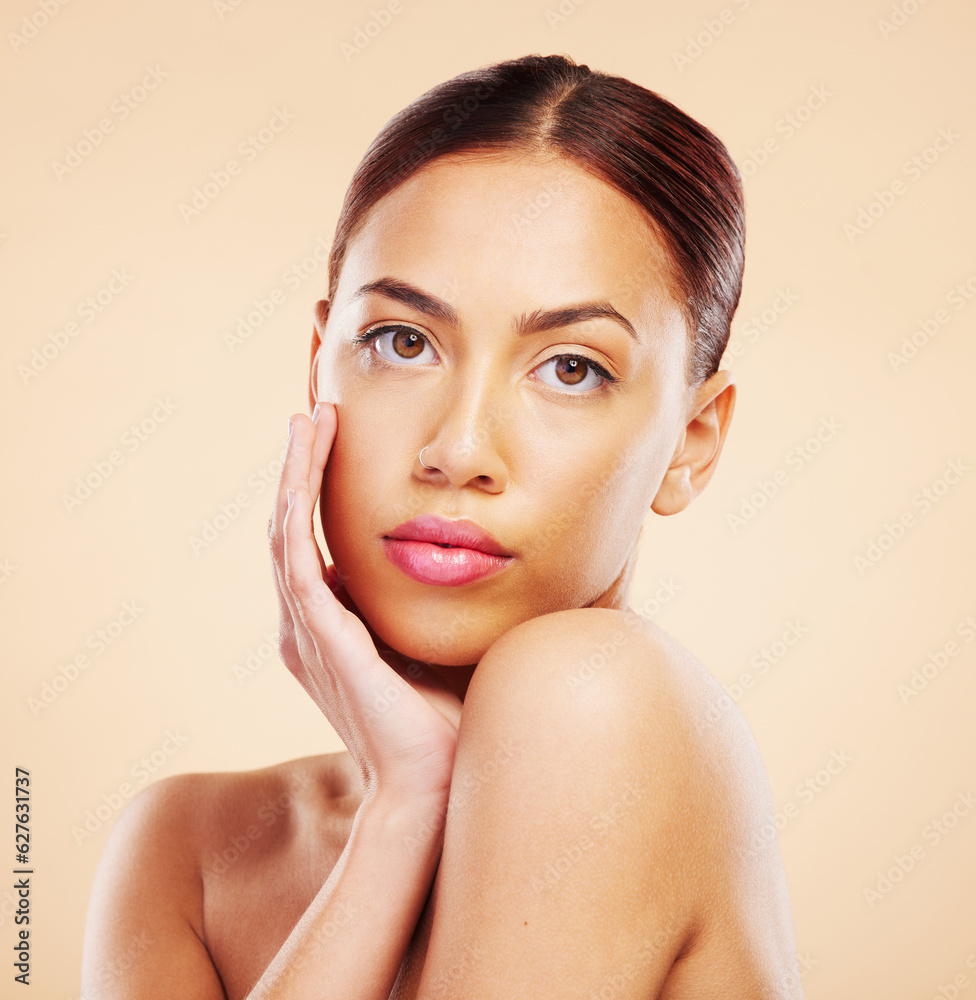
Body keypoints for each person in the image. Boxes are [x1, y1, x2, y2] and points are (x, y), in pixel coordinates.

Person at [81, 53, 804, 999]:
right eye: (402, 342)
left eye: (572, 367)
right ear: (319, 366)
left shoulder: (596, 699)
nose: (458, 449)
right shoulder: (184, 850)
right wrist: (401, 805)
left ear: (693, 442)